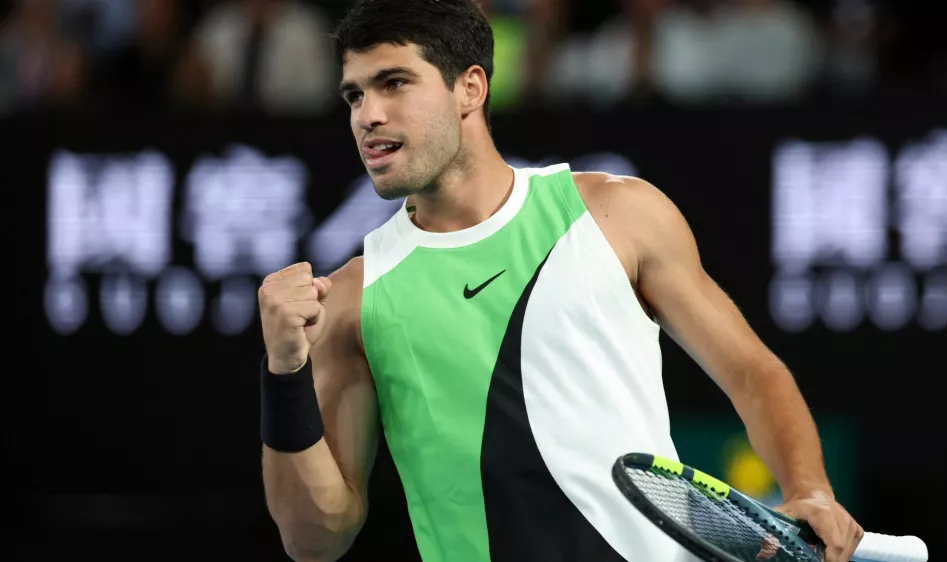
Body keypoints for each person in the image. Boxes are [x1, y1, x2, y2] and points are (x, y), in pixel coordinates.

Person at [258, 1, 864, 561]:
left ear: (470, 87)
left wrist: (808, 488)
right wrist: (285, 376)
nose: (368, 114)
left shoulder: (615, 214)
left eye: (394, 83)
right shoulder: (353, 298)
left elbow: (751, 373)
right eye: (354, 96)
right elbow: (317, 537)